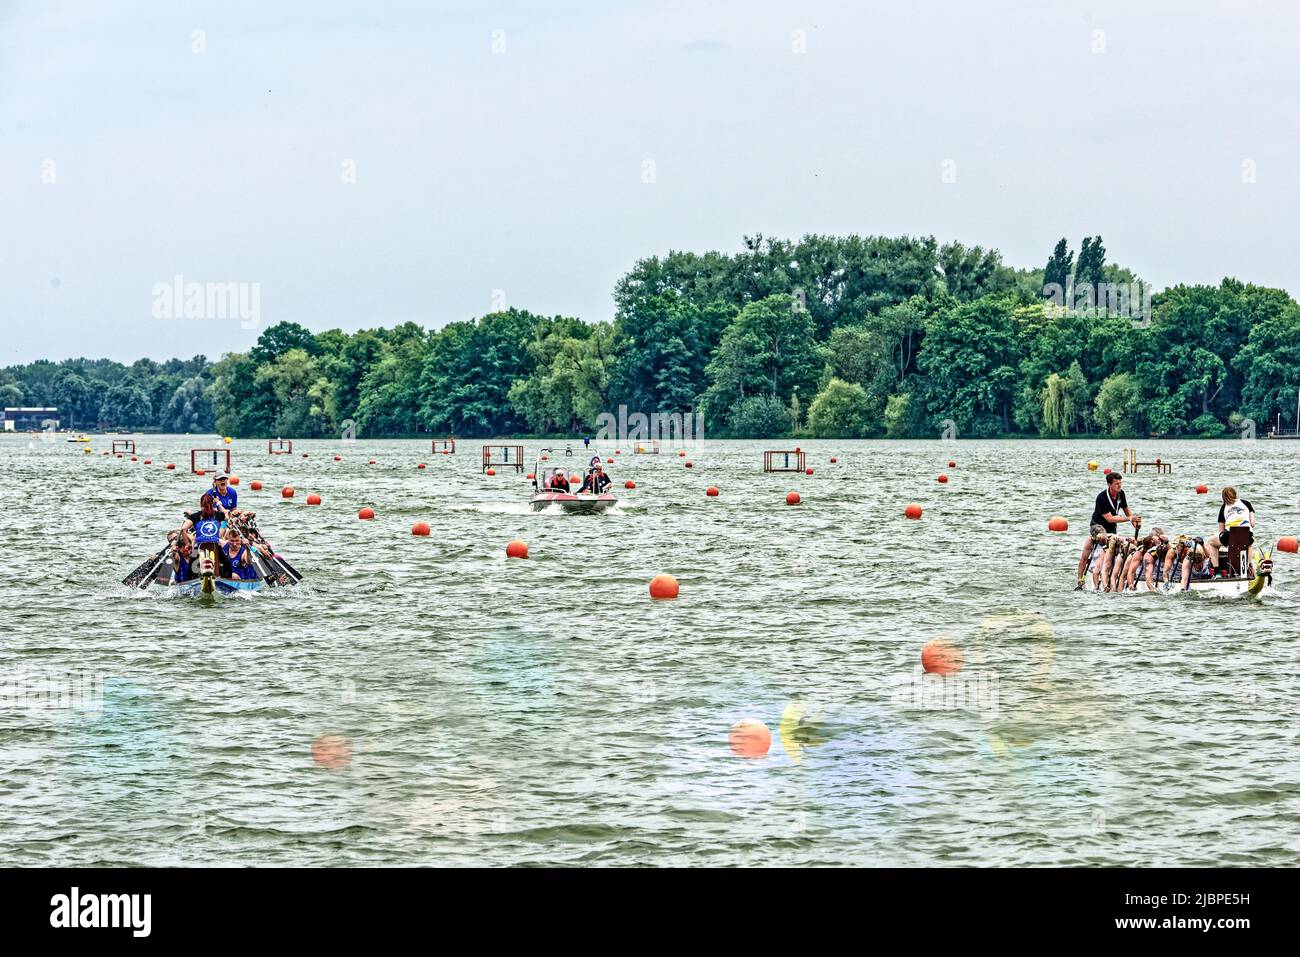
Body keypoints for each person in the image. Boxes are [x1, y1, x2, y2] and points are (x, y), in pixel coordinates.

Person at [1076, 473, 1141, 589]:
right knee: (1104, 539)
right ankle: (1080, 579)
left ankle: (1118, 574)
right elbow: (1110, 519)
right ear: (1109, 484)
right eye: (1116, 484)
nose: (1119, 486)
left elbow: (1126, 509)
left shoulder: (1121, 494)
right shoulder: (1102, 497)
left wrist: (1134, 521)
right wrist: (1129, 519)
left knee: (1125, 544)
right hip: (1097, 526)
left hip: (1111, 529)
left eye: (1120, 483)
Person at [1204, 486, 1255, 575]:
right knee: (1249, 544)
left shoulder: (1223, 507)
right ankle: (1246, 569)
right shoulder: (1247, 503)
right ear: (1235, 494)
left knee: (1211, 542)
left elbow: (1221, 531)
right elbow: (1253, 524)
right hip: (1247, 534)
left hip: (1229, 535)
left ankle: (1217, 571)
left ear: (1223, 498)